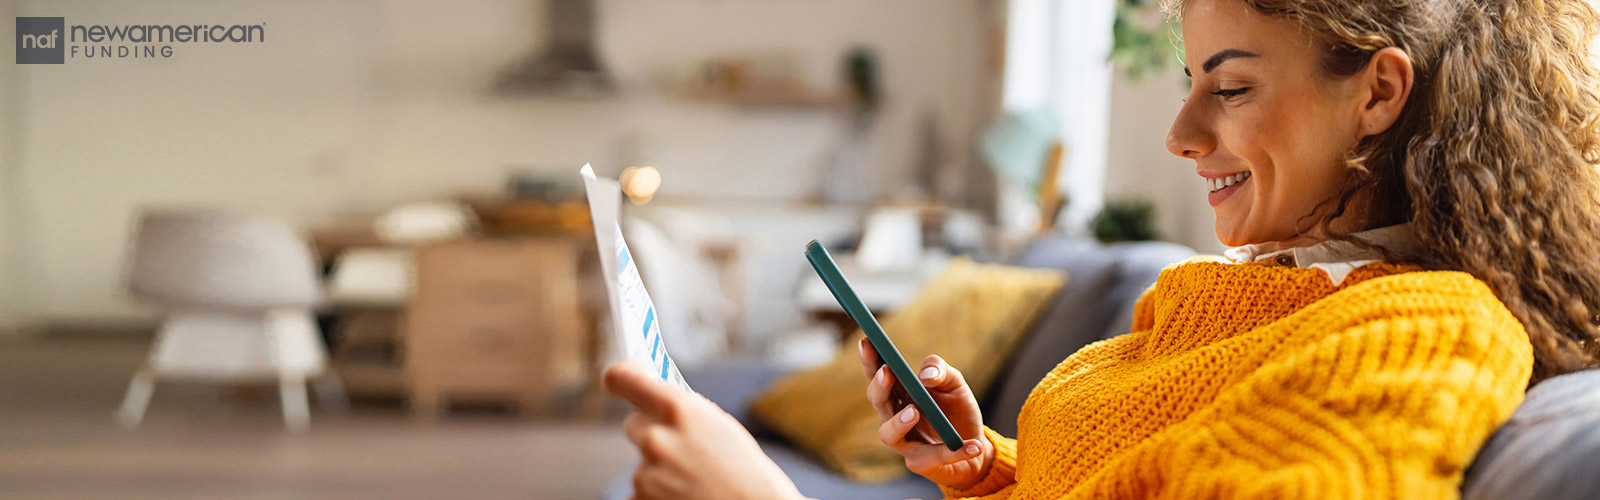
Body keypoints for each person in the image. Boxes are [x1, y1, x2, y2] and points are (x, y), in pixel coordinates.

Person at [602, 0, 1600, 498]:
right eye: (1187, 80)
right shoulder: (1228, 297)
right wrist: (985, 463)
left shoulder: (1423, 331)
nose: (1180, 132)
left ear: (1377, 93)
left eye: (1231, 85)